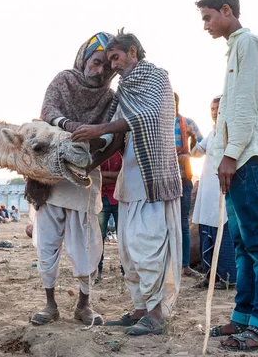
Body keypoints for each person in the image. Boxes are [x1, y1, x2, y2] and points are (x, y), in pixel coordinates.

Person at [72, 30, 182, 335]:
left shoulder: (157, 78)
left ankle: (157, 314)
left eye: (116, 58)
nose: (113, 66)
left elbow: (149, 117)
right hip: (131, 179)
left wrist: (98, 129)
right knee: (129, 250)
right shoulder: (125, 89)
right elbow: (117, 137)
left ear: (133, 52)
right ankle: (140, 309)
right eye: (109, 60)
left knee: (149, 246)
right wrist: (88, 165)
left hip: (153, 179)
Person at [197, 0, 258, 350]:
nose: (205, 26)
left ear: (226, 11)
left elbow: (244, 107)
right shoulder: (235, 50)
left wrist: (229, 155)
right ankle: (243, 316)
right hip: (236, 158)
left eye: (208, 17)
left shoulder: (248, 45)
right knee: (243, 244)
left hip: (248, 158)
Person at [28, 32, 116, 327]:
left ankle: (84, 304)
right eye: (97, 62)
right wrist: (70, 126)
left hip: (84, 175)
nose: (100, 70)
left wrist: (90, 148)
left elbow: (109, 136)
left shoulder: (110, 98)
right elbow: (48, 112)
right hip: (50, 177)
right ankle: (50, 304)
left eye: (107, 66)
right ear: (84, 58)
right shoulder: (63, 80)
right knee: (48, 244)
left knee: (86, 244)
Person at [191, 96, 237, 289]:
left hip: (222, 191)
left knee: (224, 233)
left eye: (217, 108)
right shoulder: (212, 134)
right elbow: (197, 152)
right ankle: (211, 276)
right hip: (207, 191)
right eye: (211, 109)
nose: (214, 112)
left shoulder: (231, 132)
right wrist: (191, 138)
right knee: (206, 232)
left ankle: (227, 278)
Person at [174, 93, 203, 277]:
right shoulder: (157, 122)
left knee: (183, 222)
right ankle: (168, 264)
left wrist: (188, 155)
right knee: (163, 223)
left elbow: (202, 145)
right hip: (162, 180)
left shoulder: (188, 123)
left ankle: (184, 266)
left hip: (183, 178)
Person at [95, 152, 123, 284]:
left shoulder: (121, 152)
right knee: (98, 238)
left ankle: (126, 271)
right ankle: (97, 271)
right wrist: (115, 177)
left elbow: (124, 175)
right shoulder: (99, 151)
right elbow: (95, 176)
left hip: (119, 198)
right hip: (102, 198)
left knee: (123, 237)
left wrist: (103, 175)